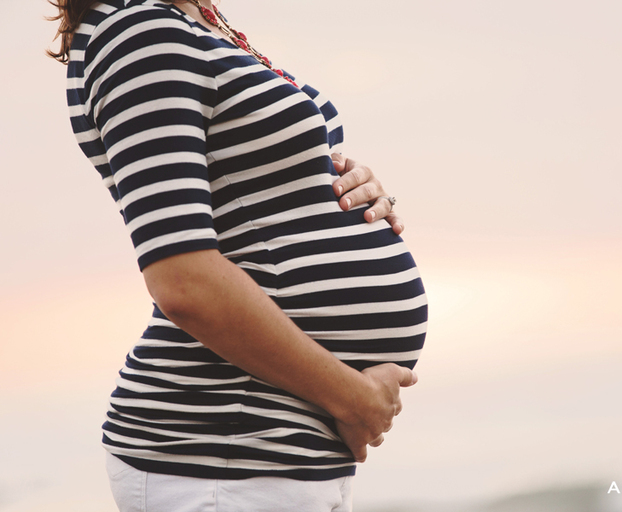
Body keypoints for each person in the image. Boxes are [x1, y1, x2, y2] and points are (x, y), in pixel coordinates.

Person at [48, 0, 428, 510]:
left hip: (274, 453)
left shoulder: (195, 21)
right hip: (224, 455)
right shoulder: (140, 33)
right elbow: (184, 281)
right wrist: (352, 398)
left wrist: (337, 183)